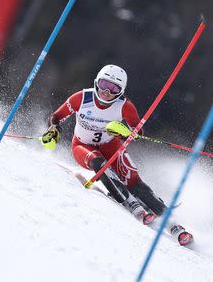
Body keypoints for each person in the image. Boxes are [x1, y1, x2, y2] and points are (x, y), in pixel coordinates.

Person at [40, 64, 192, 245]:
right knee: (98, 163)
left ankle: (172, 224)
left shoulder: (124, 106)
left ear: (120, 92)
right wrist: (53, 128)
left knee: (134, 181)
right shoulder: (82, 98)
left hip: (110, 145)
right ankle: (130, 202)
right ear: (97, 82)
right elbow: (56, 116)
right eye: (104, 84)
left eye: (114, 88)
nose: (106, 91)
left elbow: (138, 131)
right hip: (82, 146)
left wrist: (125, 132)